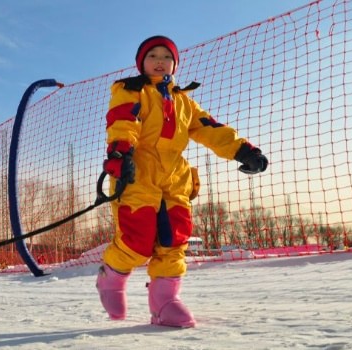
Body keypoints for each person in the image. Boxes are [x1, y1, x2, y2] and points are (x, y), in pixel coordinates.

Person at [97, 35, 268, 328]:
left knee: (173, 239)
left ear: (174, 64)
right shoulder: (131, 90)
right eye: (153, 56)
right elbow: (123, 120)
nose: (160, 61)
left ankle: (165, 302)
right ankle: (110, 280)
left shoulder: (184, 101)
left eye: (167, 56)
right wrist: (120, 153)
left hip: (175, 178)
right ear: (142, 63)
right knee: (137, 239)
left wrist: (243, 150)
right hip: (137, 172)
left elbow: (211, 129)